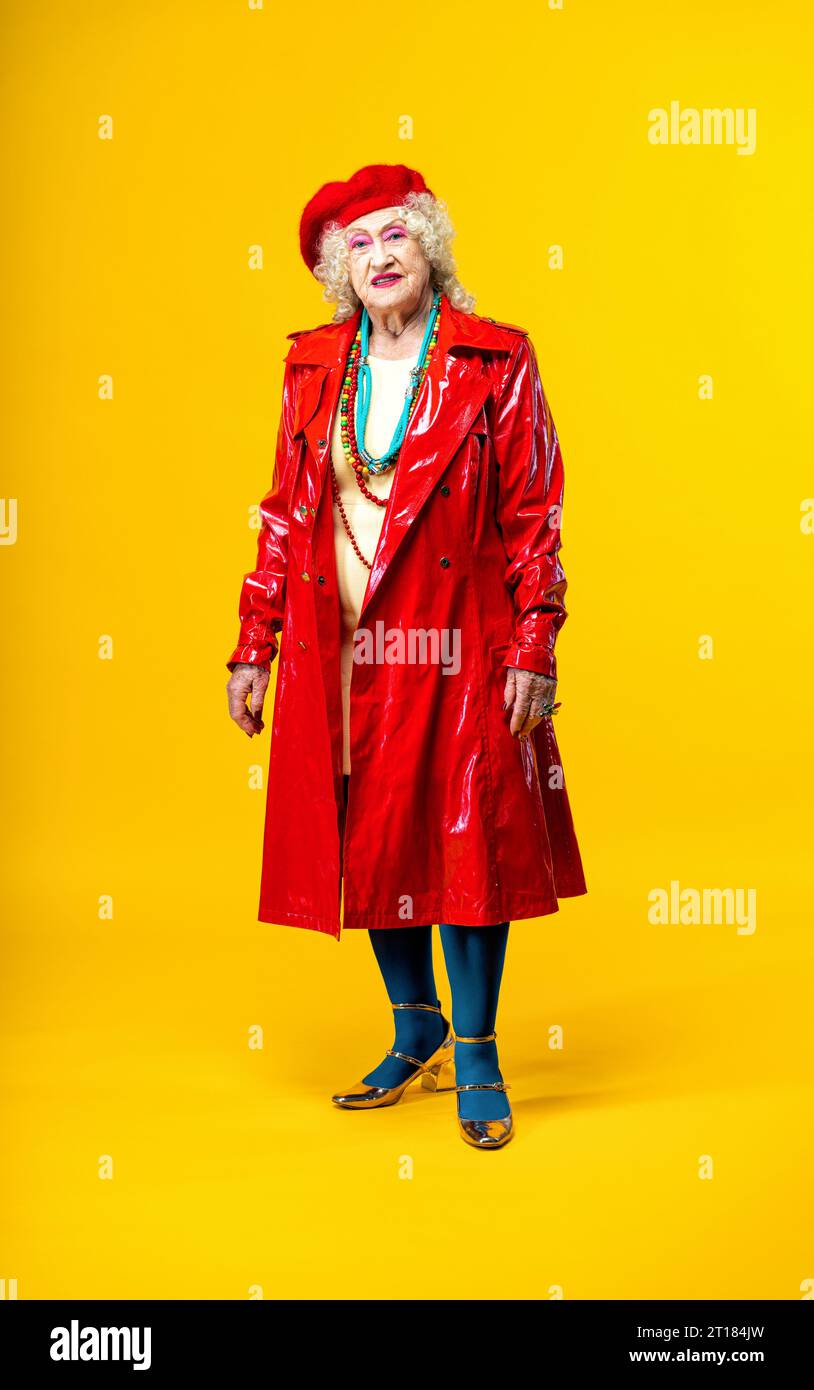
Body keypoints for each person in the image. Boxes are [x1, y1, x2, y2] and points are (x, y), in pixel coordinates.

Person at [227, 164, 587, 1148]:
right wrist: (253, 640)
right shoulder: (312, 365)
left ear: (429, 243)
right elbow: (281, 512)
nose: (378, 256)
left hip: (458, 639)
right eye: (358, 244)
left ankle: (476, 1051)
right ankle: (414, 1026)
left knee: (467, 837)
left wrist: (533, 644)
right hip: (340, 645)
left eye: (395, 234)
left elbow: (533, 513)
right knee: (370, 838)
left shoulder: (494, 360)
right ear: (337, 269)